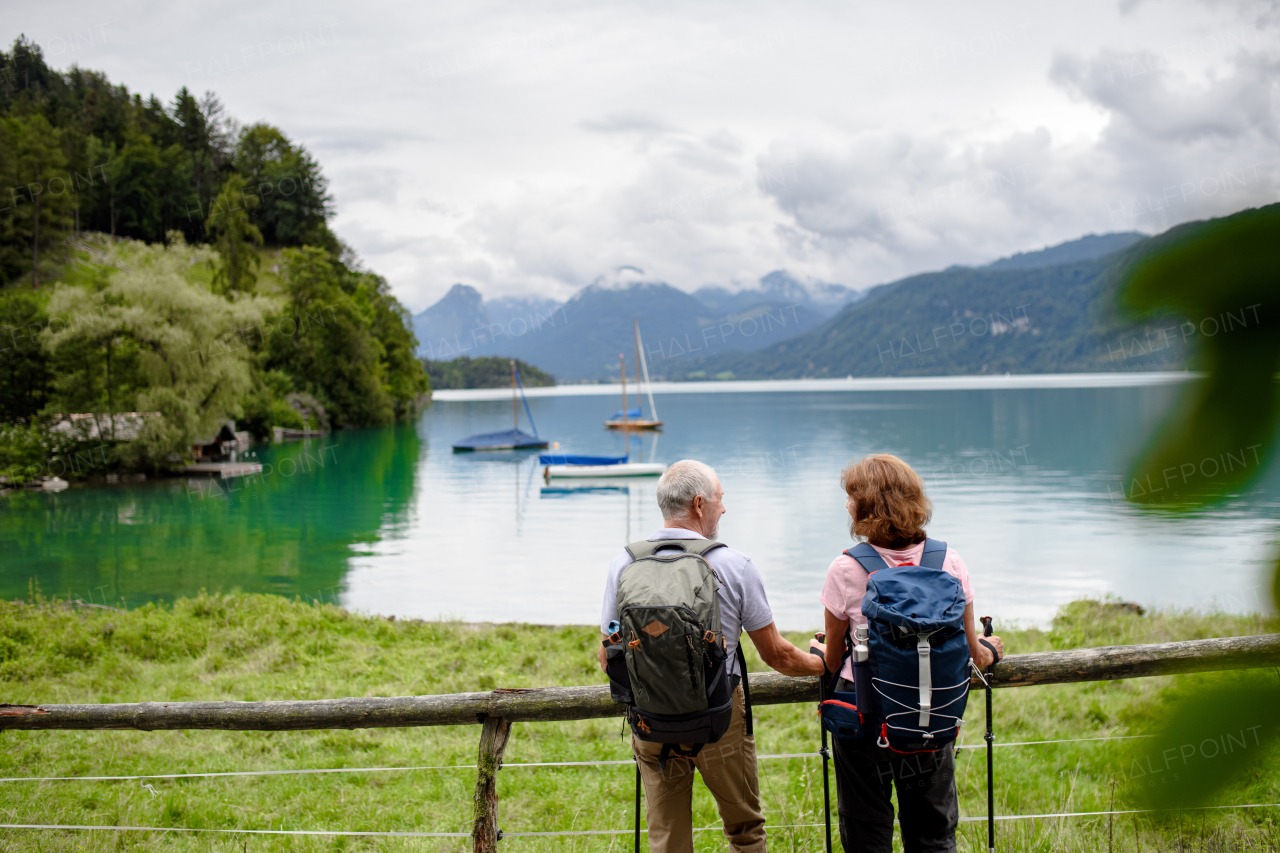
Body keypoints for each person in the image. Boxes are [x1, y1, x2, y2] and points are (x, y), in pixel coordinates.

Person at [598, 459, 825, 853]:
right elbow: (776, 655)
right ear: (700, 504)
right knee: (744, 830)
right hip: (720, 719)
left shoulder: (624, 564)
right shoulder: (734, 565)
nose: (724, 507)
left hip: (651, 724)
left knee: (667, 838)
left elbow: (608, 655)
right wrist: (824, 664)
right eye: (721, 499)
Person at [817, 454, 1004, 853]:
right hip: (929, 718)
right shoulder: (948, 561)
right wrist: (989, 649)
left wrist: (820, 649)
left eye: (851, 497)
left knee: (866, 832)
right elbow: (973, 652)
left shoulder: (846, 569)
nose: (847, 505)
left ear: (866, 506)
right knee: (933, 834)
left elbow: (834, 659)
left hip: (865, 720)